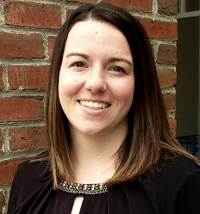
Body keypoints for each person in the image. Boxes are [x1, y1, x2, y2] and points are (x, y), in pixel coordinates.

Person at [7, 2, 200, 214]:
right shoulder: (27, 179)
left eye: (117, 68)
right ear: (58, 77)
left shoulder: (182, 184)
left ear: (140, 86)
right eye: (79, 64)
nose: (95, 84)